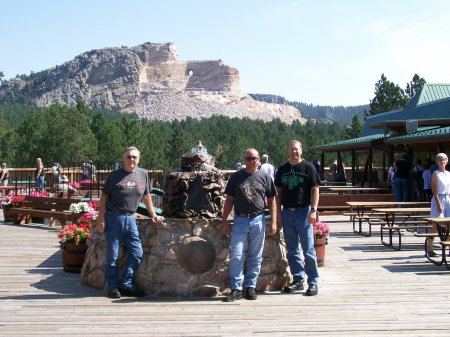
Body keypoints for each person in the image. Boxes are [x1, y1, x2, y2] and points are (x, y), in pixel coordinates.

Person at [96, 147, 164, 299]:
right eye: (128, 157)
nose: (131, 159)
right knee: (112, 255)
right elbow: (104, 197)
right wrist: (101, 218)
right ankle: (113, 286)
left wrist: (153, 214)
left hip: (131, 218)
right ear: (123, 159)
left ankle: (126, 283)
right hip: (114, 218)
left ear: (138, 159)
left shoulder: (143, 174)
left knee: (137, 253)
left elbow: (147, 197)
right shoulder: (115, 176)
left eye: (134, 157)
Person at [221, 148, 277, 302]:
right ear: (244, 160)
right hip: (240, 220)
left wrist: (273, 221)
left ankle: (250, 287)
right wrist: (224, 220)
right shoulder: (236, 177)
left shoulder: (265, 177)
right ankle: (236, 288)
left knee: (255, 256)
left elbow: (272, 200)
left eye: (254, 158)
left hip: (258, 219)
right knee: (237, 254)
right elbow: (229, 200)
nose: (251, 161)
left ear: (259, 160)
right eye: (248, 158)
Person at [274, 140, 320, 296]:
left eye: (296, 149)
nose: (294, 152)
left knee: (308, 249)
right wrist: (278, 213)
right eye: (291, 149)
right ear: (287, 151)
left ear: (301, 150)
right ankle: (298, 280)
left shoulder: (308, 168)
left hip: (304, 212)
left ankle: (313, 282)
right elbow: (278, 192)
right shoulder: (282, 169)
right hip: (287, 212)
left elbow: (315, 189)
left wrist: (313, 210)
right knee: (292, 250)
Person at [426, 153, 450, 257]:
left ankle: (449, 248)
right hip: (438, 198)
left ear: (447, 161)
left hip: (447, 198)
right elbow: (434, 190)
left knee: (448, 225)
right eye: (440, 160)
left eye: (444, 160)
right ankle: (430, 249)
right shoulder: (435, 174)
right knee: (436, 225)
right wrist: (439, 204)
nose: (442, 162)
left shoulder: (448, 173)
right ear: (437, 162)